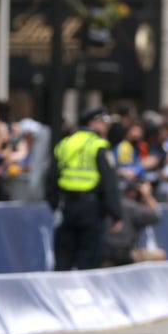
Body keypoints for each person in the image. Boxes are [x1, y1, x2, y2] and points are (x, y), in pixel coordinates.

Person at [45, 105, 123, 271]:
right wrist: (116, 214)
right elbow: (109, 183)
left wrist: (55, 204)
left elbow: (51, 178)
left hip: (66, 207)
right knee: (89, 260)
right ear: (94, 123)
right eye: (104, 122)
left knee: (63, 258)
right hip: (91, 208)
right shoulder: (99, 145)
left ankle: (60, 293)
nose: (107, 127)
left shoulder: (65, 143)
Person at [103, 179, 166, 267]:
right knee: (160, 255)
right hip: (125, 255)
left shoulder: (106, 203)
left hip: (103, 254)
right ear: (132, 193)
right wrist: (147, 195)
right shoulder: (131, 206)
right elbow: (156, 215)